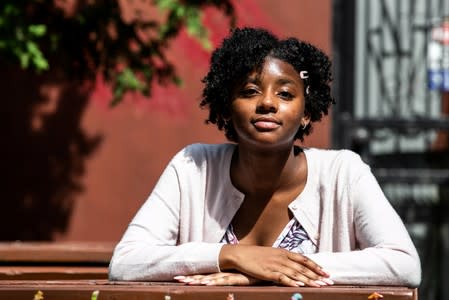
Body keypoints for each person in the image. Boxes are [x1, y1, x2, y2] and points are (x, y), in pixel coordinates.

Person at [108, 27, 421, 287]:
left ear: (307, 114)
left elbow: (404, 264)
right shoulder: (193, 168)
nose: (267, 103)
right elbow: (126, 262)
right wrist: (232, 256)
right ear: (227, 107)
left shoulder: (343, 173)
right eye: (249, 91)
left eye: (285, 94)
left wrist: (269, 271)